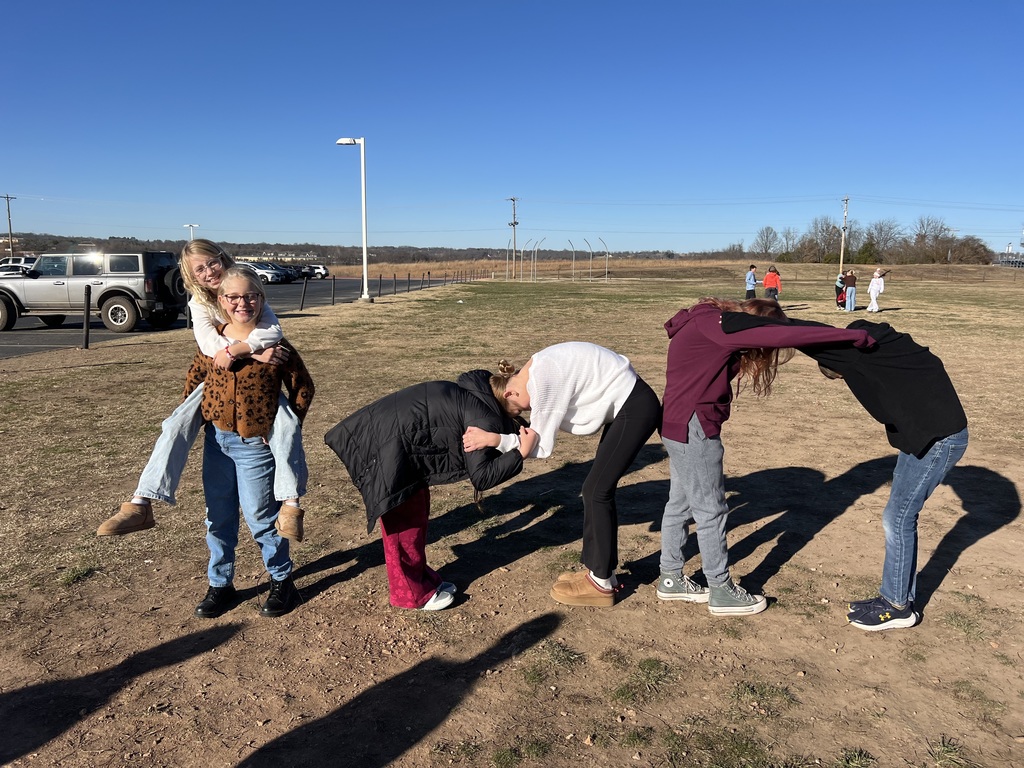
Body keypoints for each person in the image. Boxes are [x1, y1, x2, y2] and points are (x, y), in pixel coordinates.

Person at [721, 314, 968, 631]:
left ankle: (897, 607)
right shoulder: (879, 344)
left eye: (839, 377)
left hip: (939, 438)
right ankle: (896, 598)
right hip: (925, 434)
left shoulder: (854, 351)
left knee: (899, 517)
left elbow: (799, 332)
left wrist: (734, 319)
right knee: (898, 515)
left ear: (838, 366)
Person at [659, 298, 876, 616]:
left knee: (679, 504)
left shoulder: (705, 322)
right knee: (712, 511)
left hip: (674, 423)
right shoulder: (722, 328)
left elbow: (786, 331)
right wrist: (854, 337)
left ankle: (670, 578)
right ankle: (720, 590)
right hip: (694, 428)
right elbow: (785, 335)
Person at [97, 239, 310, 542]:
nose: (210, 271)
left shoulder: (247, 287)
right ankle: (142, 501)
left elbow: (273, 331)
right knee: (175, 425)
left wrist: (246, 348)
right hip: (216, 386)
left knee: (287, 427)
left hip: (255, 399)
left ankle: (291, 505)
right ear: (191, 276)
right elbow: (209, 347)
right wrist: (251, 352)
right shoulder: (200, 303)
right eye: (200, 268)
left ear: (224, 259)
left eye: (213, 262)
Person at [463, 342, 662, 608]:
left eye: (519, 409)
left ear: (510, 390)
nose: (527, 411)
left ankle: (601, 583)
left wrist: (495, 439)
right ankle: (604, 574)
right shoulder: (536, 365)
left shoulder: (541, 380)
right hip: (630, 403)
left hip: (635, 407)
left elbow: (540, 446)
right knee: (597, 488)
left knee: (596, 491)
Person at [324, 368, 537, 611]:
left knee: (417, 513)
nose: (520, 416)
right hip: (389, 450)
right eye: (519, 410)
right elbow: (482, 477)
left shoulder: (480, 390)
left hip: (396, 443)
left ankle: (422, 578)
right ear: (508, 393)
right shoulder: (482, 416)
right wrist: (520, 453)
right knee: (405, 525)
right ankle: (410, 594)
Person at [187, 267, 315, 618]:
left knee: (261, 516)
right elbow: (194, 380)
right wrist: (202, 417)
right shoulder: (212, 340)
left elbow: (303, 387)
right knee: (218, 516)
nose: (243, 303)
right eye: (234, 297)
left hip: (254, 447)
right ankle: (220, 585)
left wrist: (283, 429)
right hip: (217, 442)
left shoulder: (275, 344)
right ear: (221, 301)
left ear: (262, 297)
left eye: (251, 296)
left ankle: (281, 581)